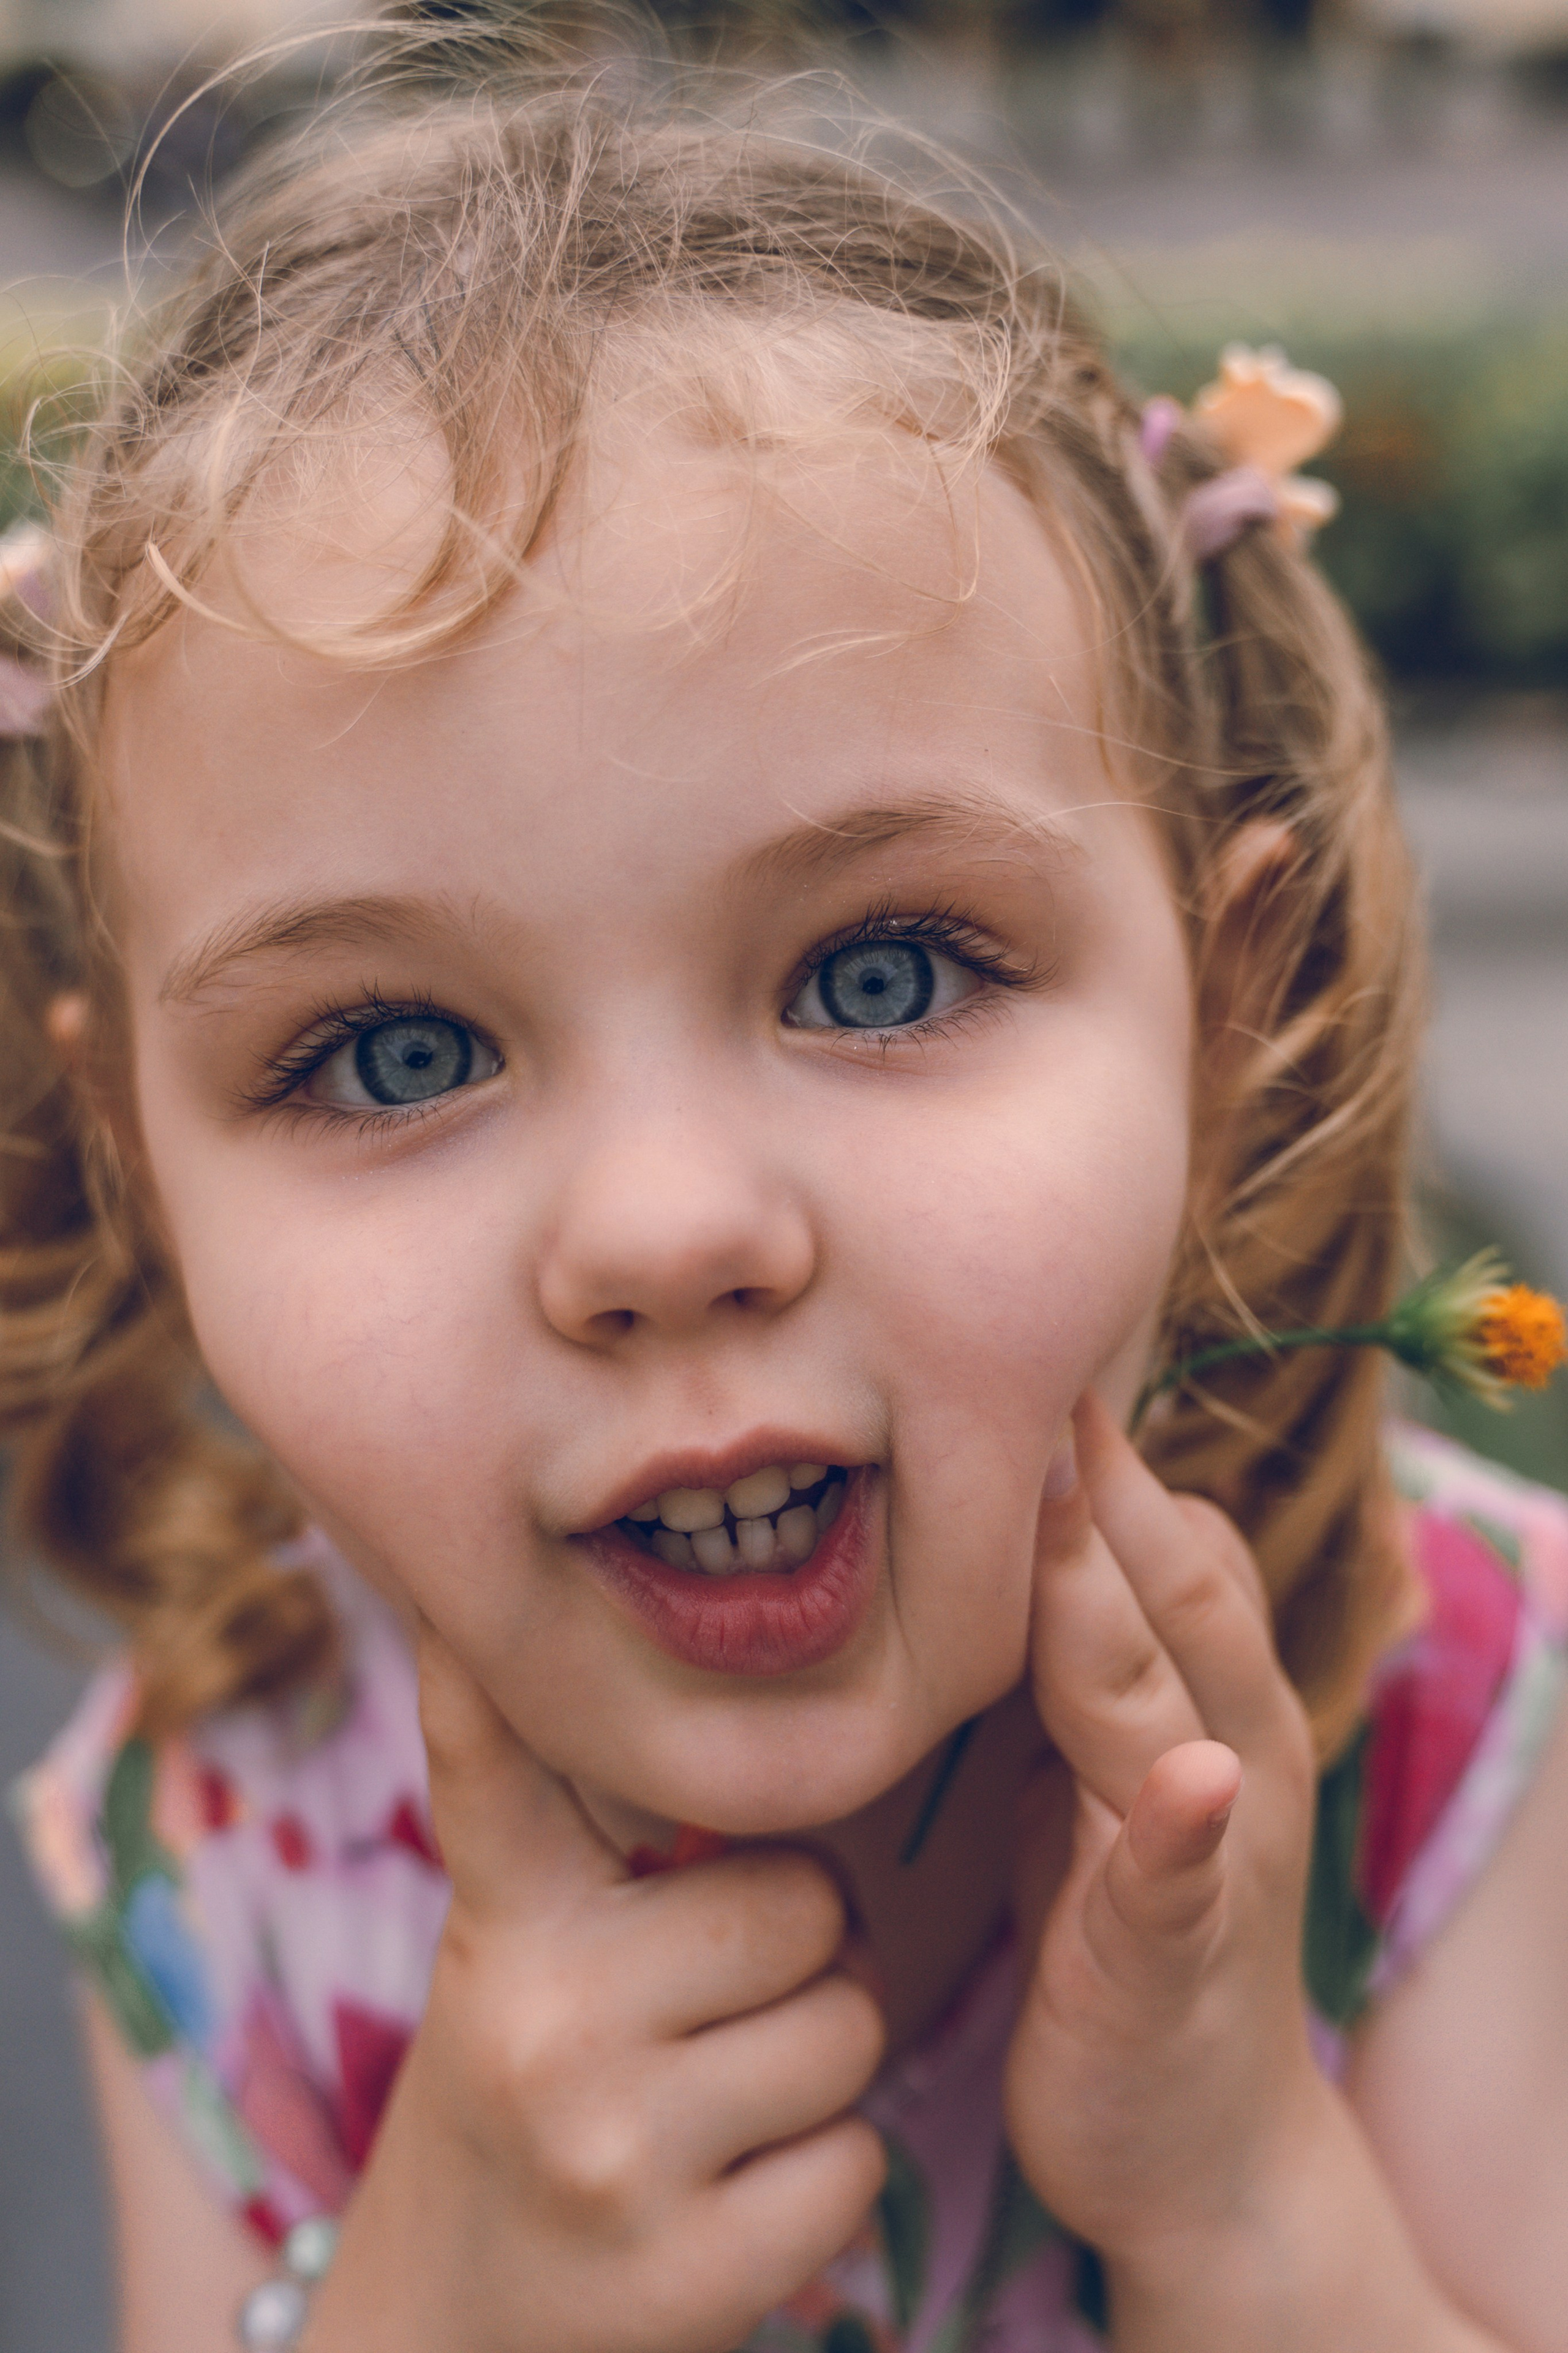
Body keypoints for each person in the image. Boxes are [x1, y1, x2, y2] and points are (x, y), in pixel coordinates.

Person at [6, 47, 1568, 2353]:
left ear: (1229, 1018)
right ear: (145, 1163)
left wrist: (1243, 2206)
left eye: (882, 970)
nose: (660, 1232)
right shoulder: (215, 1836)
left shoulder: (1445, 1696)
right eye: (395, 1053)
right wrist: (432, 2298)